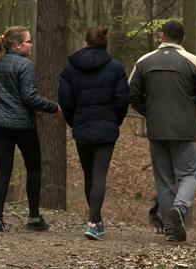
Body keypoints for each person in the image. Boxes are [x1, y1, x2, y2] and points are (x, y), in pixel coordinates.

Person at [128, 20, 196, 242]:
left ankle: (170, 230)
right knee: (191, 173)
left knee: (165, 180)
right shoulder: (194, 62)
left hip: (157, 130)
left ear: (161, 36)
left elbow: (131, 94)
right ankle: (179, 207)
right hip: (185, 129)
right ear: (183, 39)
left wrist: (150, 113)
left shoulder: (143, 62)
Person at [0, 26, 62, 232]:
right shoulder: (26, 65)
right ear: (17, 44)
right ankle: (34, 218)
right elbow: (29, 97)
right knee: (33, 169)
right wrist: (54, 108)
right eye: (28, 41)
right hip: (23, 125)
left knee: (3, 171)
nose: (31, 44)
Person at [58, 26, 129, 240]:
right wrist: (115, 121)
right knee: (99, 174)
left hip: (82, 127)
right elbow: (122, 101)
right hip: (106, 127)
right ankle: (93, 222)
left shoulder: (70, 69)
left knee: (89, 174)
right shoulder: (116, 68)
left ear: (85, 43)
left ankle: (95, 222)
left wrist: (74, 122)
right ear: (104, 44)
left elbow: (66, 101)